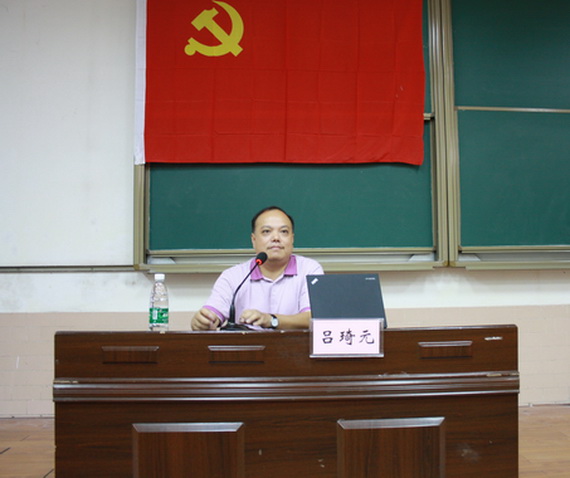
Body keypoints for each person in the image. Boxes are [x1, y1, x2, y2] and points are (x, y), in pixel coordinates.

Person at [190, 206, 324, 330]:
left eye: (284, 231)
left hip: (295, 347)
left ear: (292, 239)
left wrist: (271, 320)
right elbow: (211, 315)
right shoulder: (232, 276)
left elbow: (314, 318)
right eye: (266, 231)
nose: (276, 238)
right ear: (253, 240)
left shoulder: (310, 270)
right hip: (247, 348)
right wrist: (202, 321)